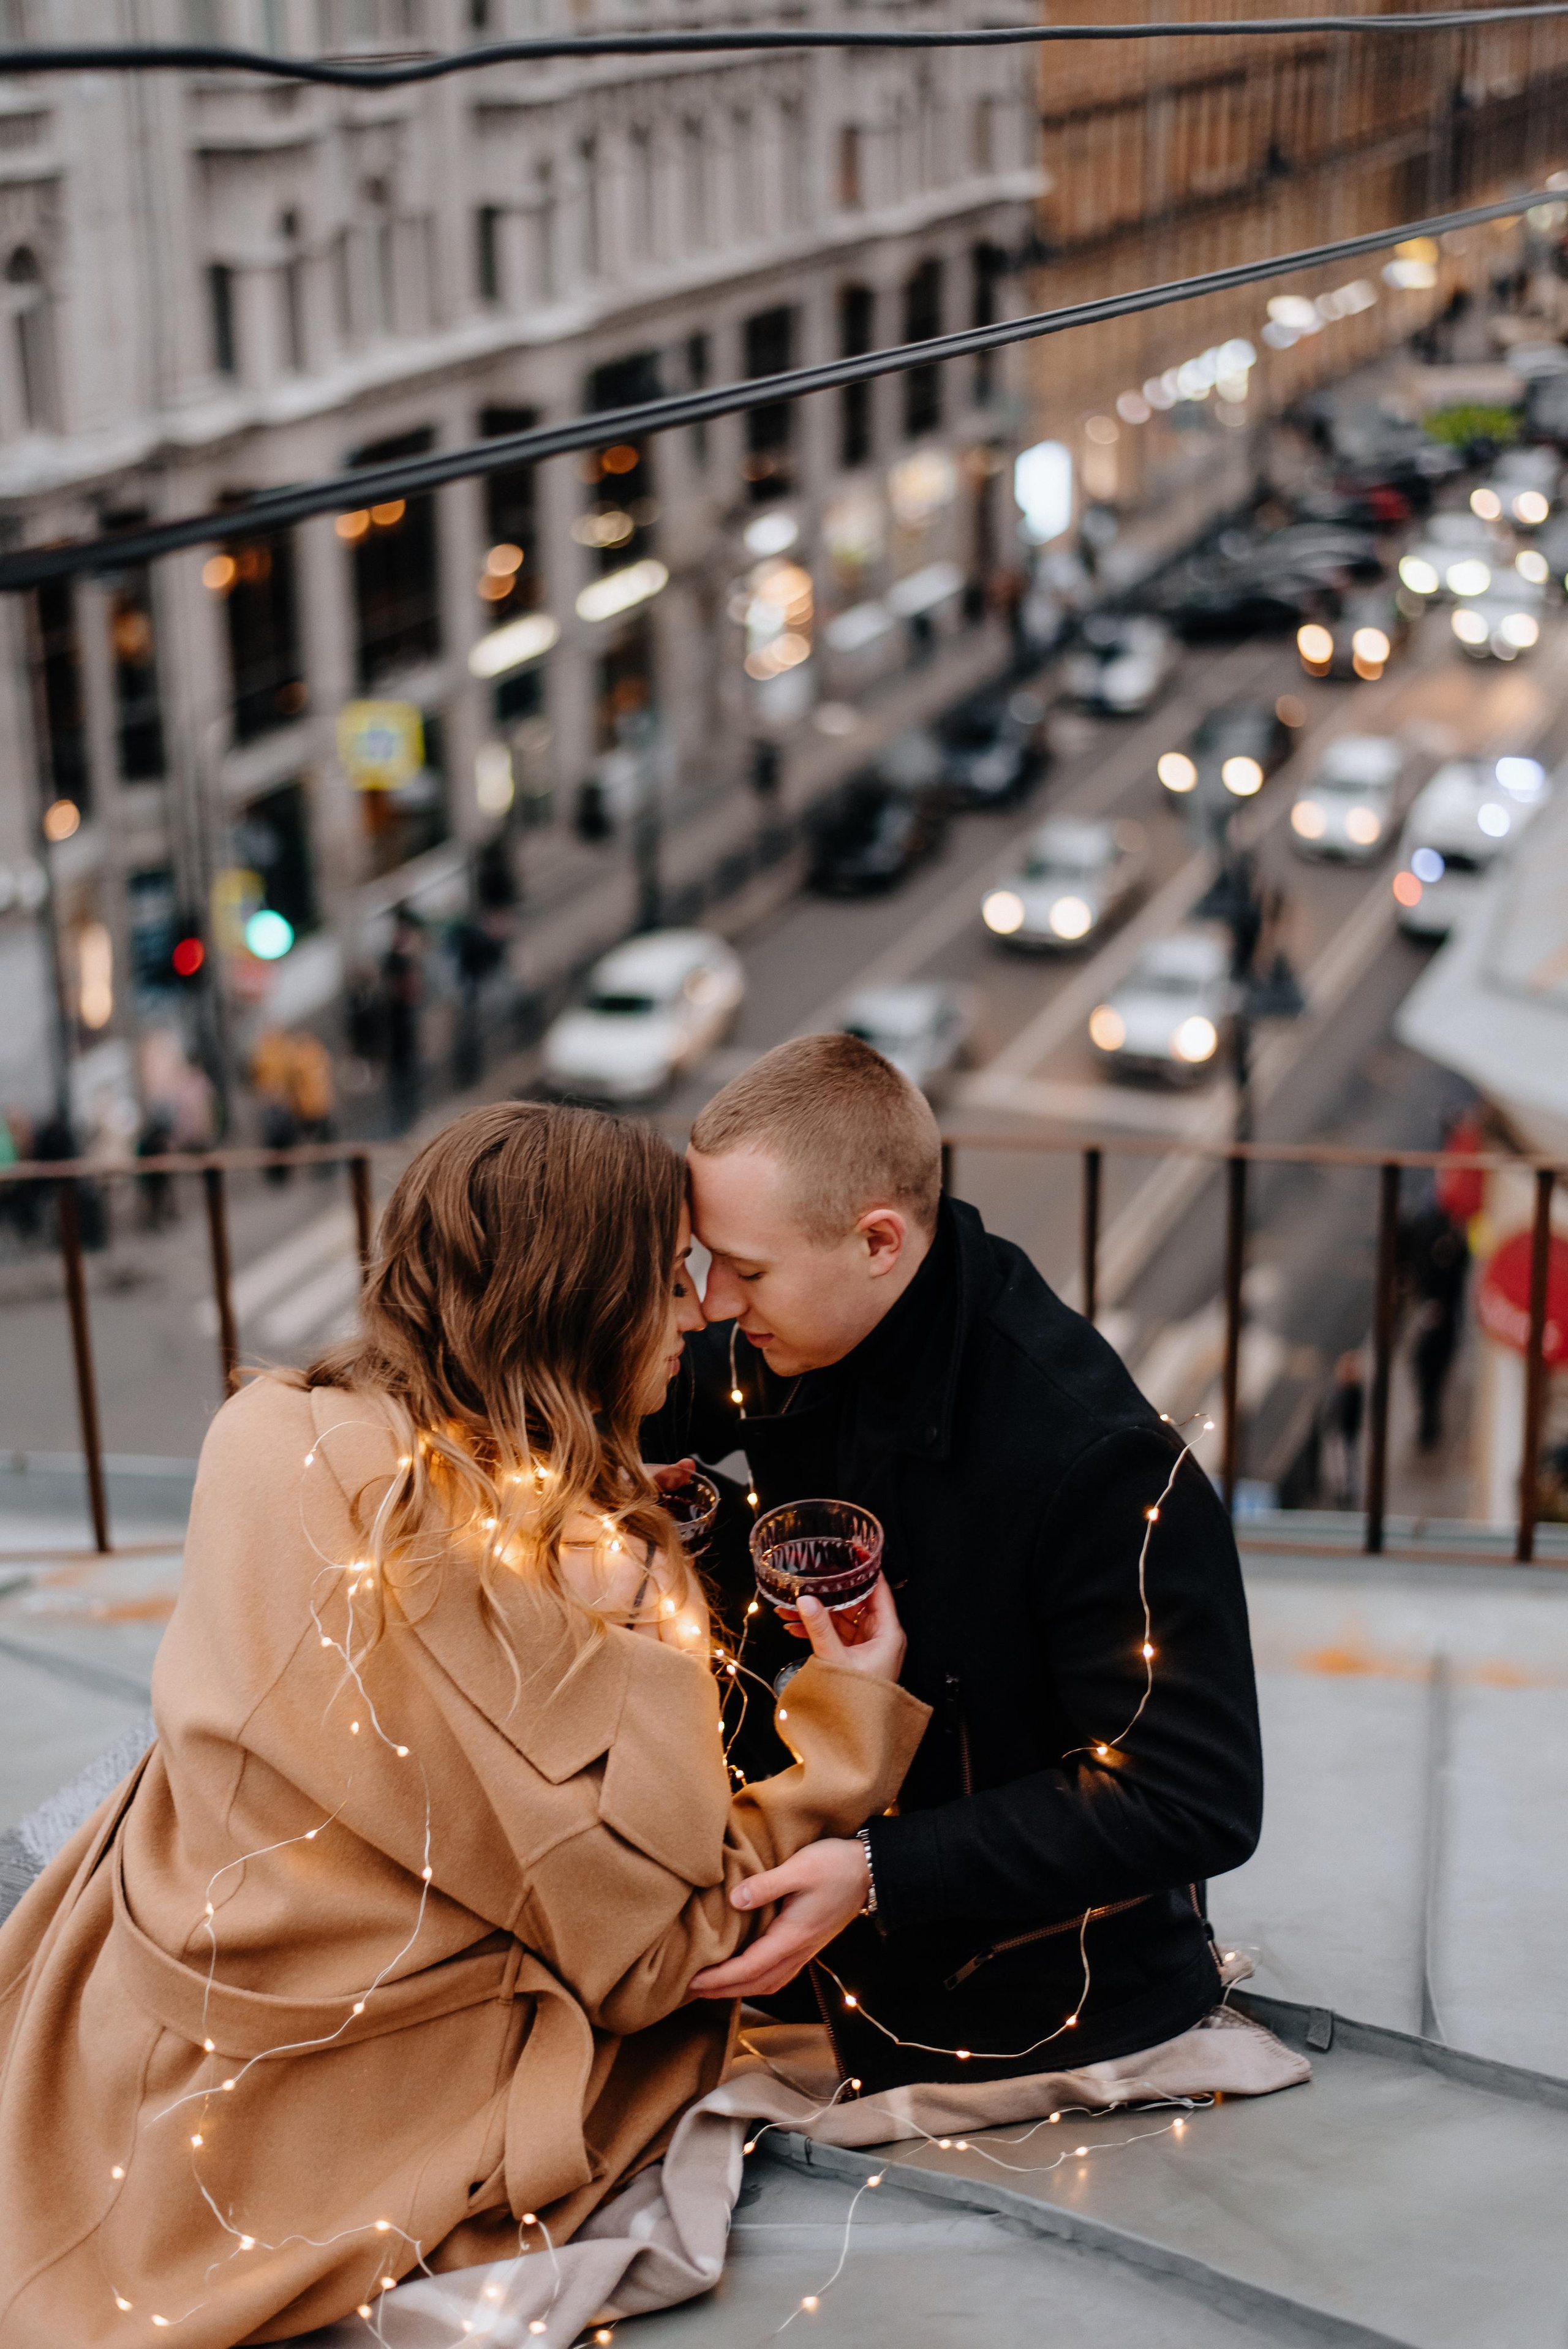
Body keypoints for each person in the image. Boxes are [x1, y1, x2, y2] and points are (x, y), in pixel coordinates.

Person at [0, 1101, 927, 2342]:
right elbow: (666, 1953)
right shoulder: (583, 1583)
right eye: (664, 1281)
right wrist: (849, 1714)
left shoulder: (267, 1429)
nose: (698, 1312)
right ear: (581, 1309)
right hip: (316, 2122)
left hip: (128, 2046)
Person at [645, 1034, 1263, 2092]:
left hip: (1018, 1997)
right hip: (811, 1915)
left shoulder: (1092, 1459)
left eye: (744, 1270)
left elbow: (1195, 1797)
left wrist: (883, 1872)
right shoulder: (806, 1325)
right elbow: (643, 1386)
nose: (715, 1307)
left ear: (878, 1240)